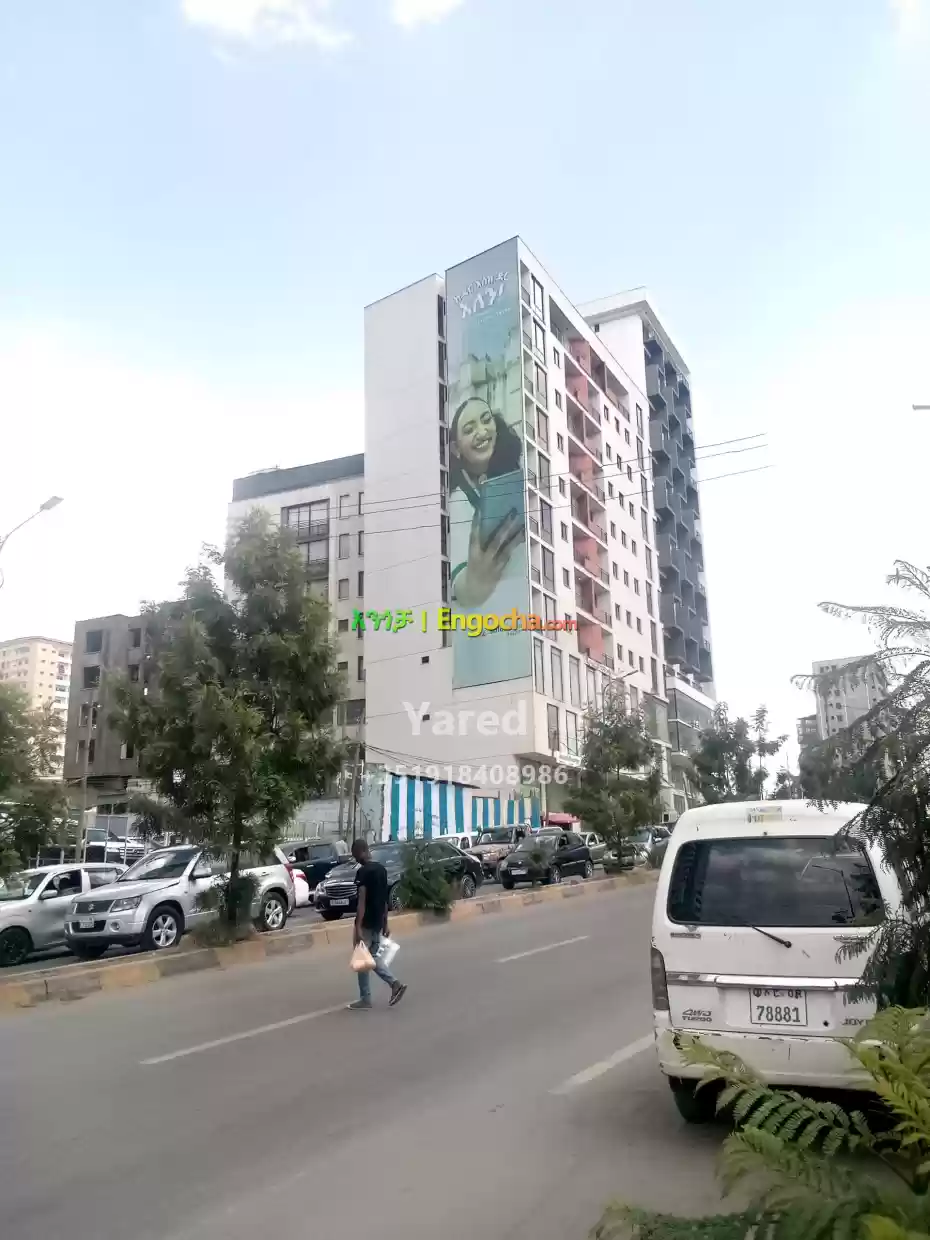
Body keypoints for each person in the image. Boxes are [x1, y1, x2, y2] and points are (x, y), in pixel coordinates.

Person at [349, 839, 407, 1010]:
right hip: (377, 921)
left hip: (366, 922)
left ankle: (373, 994)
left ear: (361, 852)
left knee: (362, 959)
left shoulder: (363, 872)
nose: (356, 859)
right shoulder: (381, 870)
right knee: (371, 956)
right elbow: (384, 900)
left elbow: (362, 901)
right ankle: (384, 988)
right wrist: (385, 923)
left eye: (355, 855)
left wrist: (358, 926)